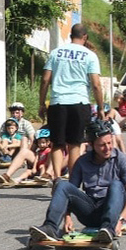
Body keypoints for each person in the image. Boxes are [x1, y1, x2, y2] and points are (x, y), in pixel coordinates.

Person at [28, 120, 126, 244]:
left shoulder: (121, 159)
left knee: (117, 184)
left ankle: (108, 228)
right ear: (91, 145)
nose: (107, 148)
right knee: (62, 184)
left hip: (114, 210)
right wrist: (67, 217)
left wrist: (121, 220)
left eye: (109, 143)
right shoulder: (82, 161)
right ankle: (50, 227)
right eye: (102, 145)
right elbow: (69, 192)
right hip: (90, 210)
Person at [39, 23, 104, 178]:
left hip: (58, 102)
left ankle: (56, 178)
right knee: (74, 144)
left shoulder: (55, 53)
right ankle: (73, 181)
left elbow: (45, 80)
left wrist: (42, 103)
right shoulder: (89, 55)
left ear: (70, 36)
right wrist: (100, 107)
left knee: (57, 143)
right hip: (79, 102)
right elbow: (96, 84)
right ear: (85, 37)